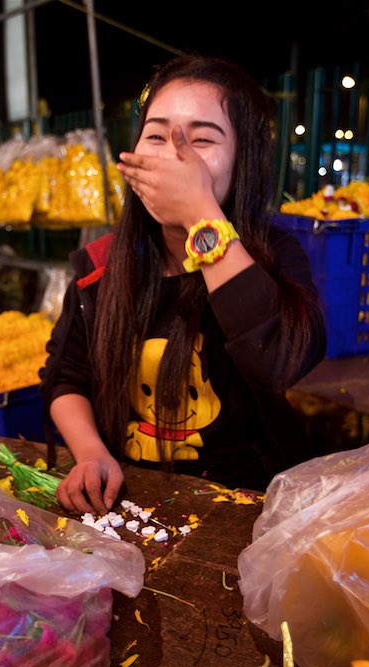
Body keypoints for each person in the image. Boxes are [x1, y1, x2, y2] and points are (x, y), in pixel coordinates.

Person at [40, 56, 327, 514]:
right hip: (129, 504)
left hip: (245, 511)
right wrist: (92, 453)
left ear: (245, 159)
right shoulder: (103, 267)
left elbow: (283, 360)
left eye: (201, 139)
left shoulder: (272, 257)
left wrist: (200, 215)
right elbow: (64, 375)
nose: (175, 155)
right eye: (156, 135)